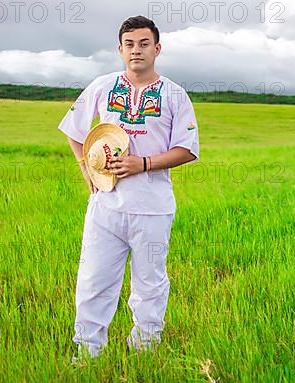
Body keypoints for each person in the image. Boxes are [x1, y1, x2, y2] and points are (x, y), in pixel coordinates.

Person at [57, 15, 200, 362]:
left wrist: (143, 163)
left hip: (153, 207)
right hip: (105, 205)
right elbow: (74, 130)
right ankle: (87, 354)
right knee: (94, 281)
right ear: (120, 49)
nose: (137, 50)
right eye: (130, 44)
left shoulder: (174, 94)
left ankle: (144, 350)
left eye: (144, 43)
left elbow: (187, 149)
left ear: (157, 48)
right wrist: (86, 169)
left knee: (150, 283)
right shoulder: (103, 86)